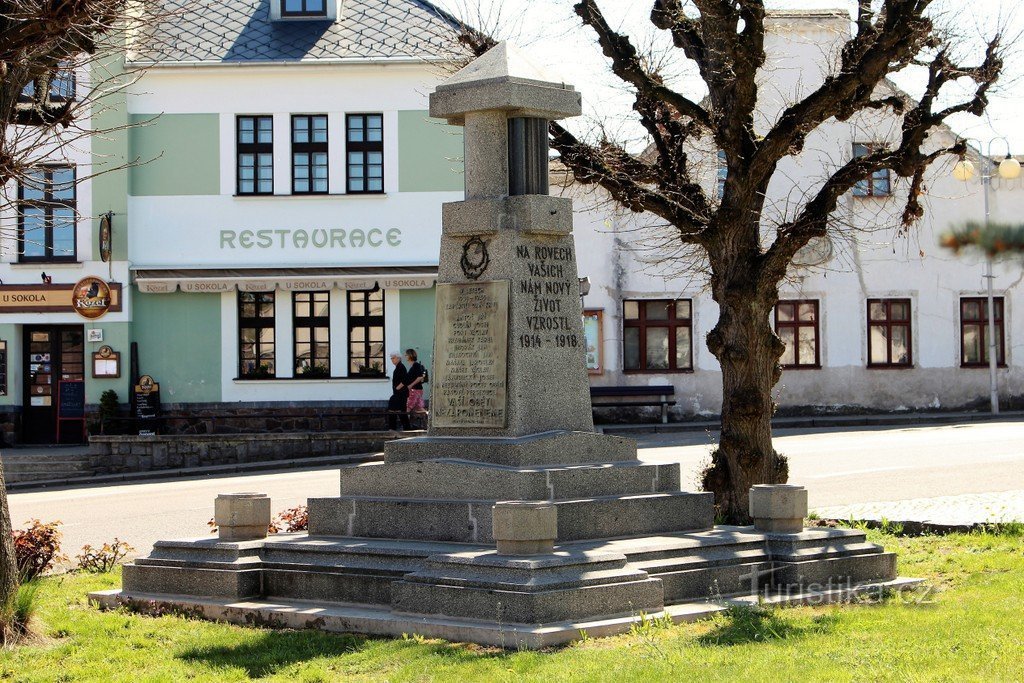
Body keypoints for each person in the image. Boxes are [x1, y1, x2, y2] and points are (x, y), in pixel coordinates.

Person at [387, 351, 411, 431]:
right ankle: (403, 428)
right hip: (399, 394)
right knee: (397, 410)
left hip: (400, 394)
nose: (392, 360)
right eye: (391, 358)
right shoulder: (398, 367)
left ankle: (395, 428)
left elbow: (405, 380)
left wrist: (397, 387)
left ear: (398, 358)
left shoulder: (401, 367)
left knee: (398, 410)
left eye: (393, 358)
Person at [405, 348, 427, 415]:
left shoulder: (416, 365)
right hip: (416, 390)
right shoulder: (413, 366)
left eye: (406, 355)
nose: (405, 356)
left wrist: (410, 385)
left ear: (410, 355)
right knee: (418, 408)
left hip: (415, 390)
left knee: (408, 407)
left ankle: (405, 424)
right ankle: (429, 420)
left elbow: (420, 377)